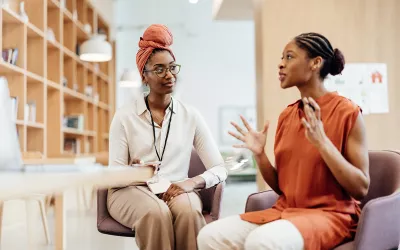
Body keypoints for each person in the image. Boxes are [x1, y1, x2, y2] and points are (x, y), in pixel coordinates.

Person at [197, 32, 370, 250]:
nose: (280, 64)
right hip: (286, 211)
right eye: (282, 58)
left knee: (261, 242)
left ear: (316, 63)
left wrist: (323, 143)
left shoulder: (348, 112)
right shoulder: (287, 116)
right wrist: (260, 155)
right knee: (210, 235)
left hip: (332, 216)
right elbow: (283, 188)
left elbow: (361, 188)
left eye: (289, 57)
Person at [107, 24, 227, 250]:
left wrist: (191, 182)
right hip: (131, 190)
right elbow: (114, 175)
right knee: (156, 213)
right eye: (160, 69)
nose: (169, 75)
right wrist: (138, 173)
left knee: (190, 212)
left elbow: (220, 168)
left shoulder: (191, 115)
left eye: (172, 68)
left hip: (175, 188)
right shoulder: (124, 116)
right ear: (144, 77)